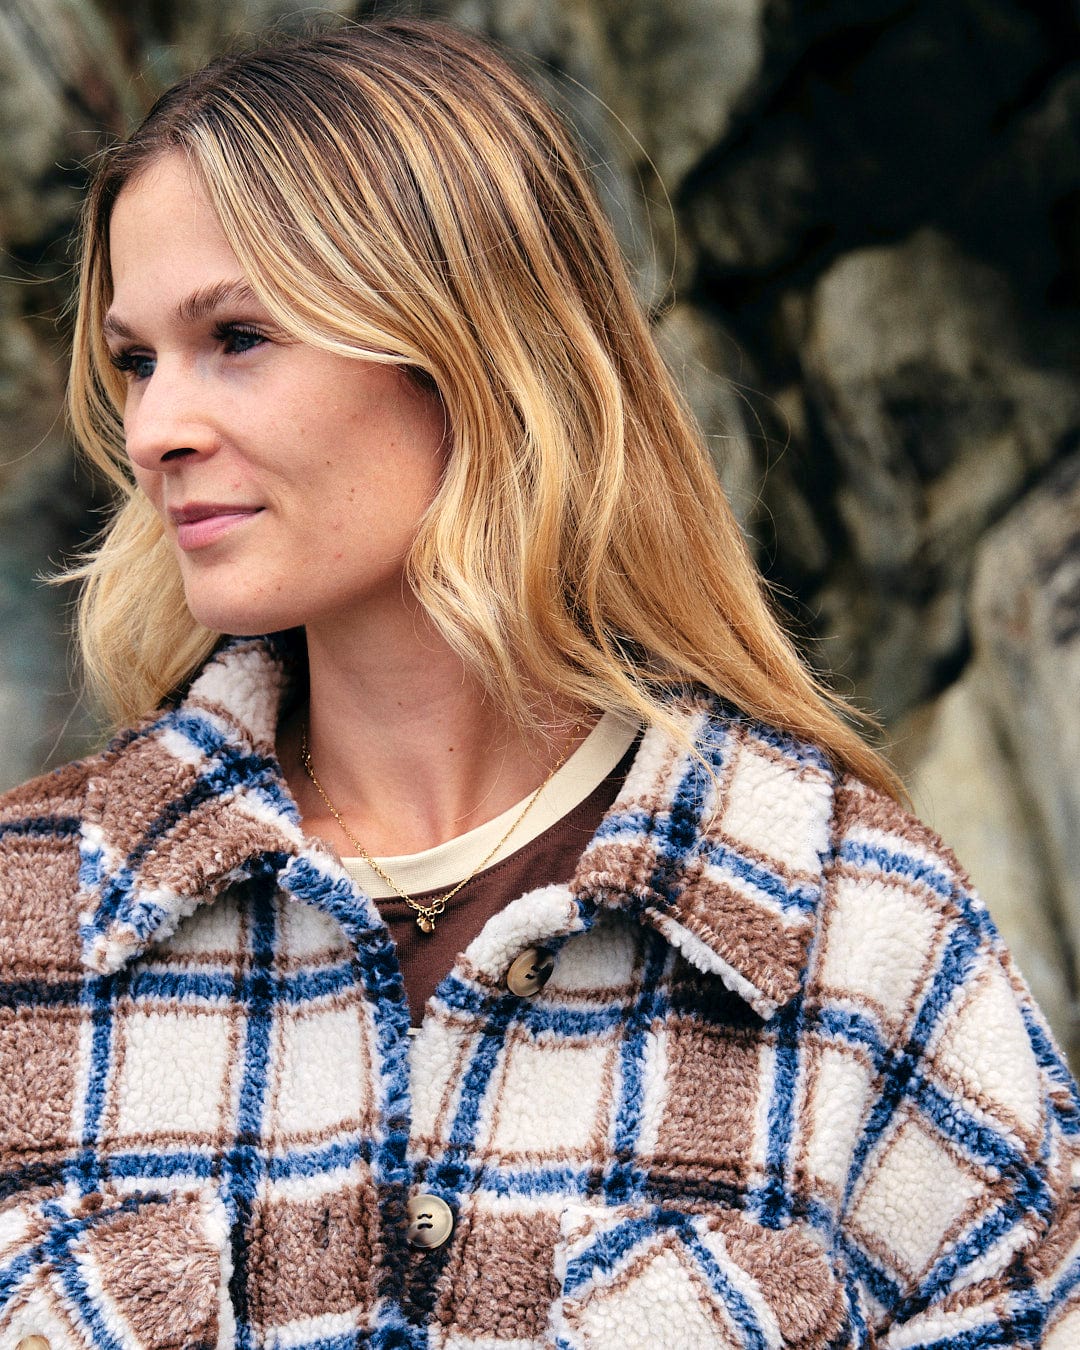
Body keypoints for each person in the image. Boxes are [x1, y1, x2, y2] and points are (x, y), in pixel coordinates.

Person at [0, 16, 1076, 1350]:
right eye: (135, 360)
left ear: (468, 346)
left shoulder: (855, 936)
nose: (156, 428)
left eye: (239, 335)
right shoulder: (28, 922)